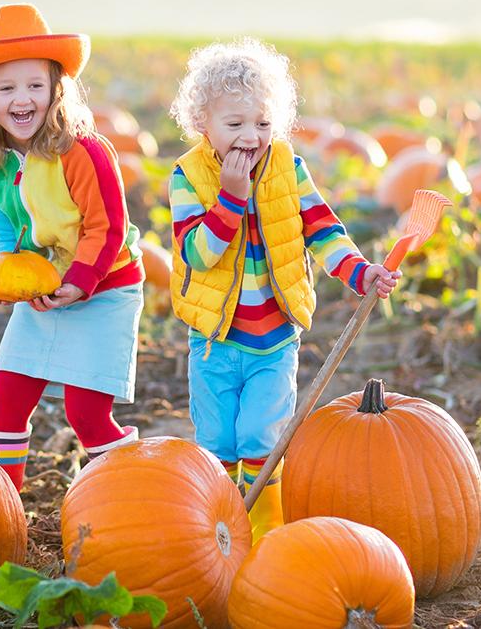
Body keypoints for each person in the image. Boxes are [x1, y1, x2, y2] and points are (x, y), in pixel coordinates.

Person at [167, 38, 400, 542]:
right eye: (235, 124)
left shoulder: (287, 168)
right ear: (202, 125)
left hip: (273, 340)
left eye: (263, 123)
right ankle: (216, 536)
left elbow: (322, 230)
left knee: (261, 437)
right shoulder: (187, 177)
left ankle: (264, 536)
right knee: (216, 442)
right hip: (213, 341)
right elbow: (198, 254)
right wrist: (231, 199)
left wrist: (361, 273)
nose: (251, 137)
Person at [0, 3, 144, 491]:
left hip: (104, 285)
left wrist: (78, 283)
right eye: (6, 88)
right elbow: (4, 240)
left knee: (85, 412)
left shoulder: (82, 150)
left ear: (56, 89)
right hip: (44, 287)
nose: (22, 99)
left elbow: (107, 228)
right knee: (6, 397)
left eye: (34, 85)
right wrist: (2, 282)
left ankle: (133, 489)